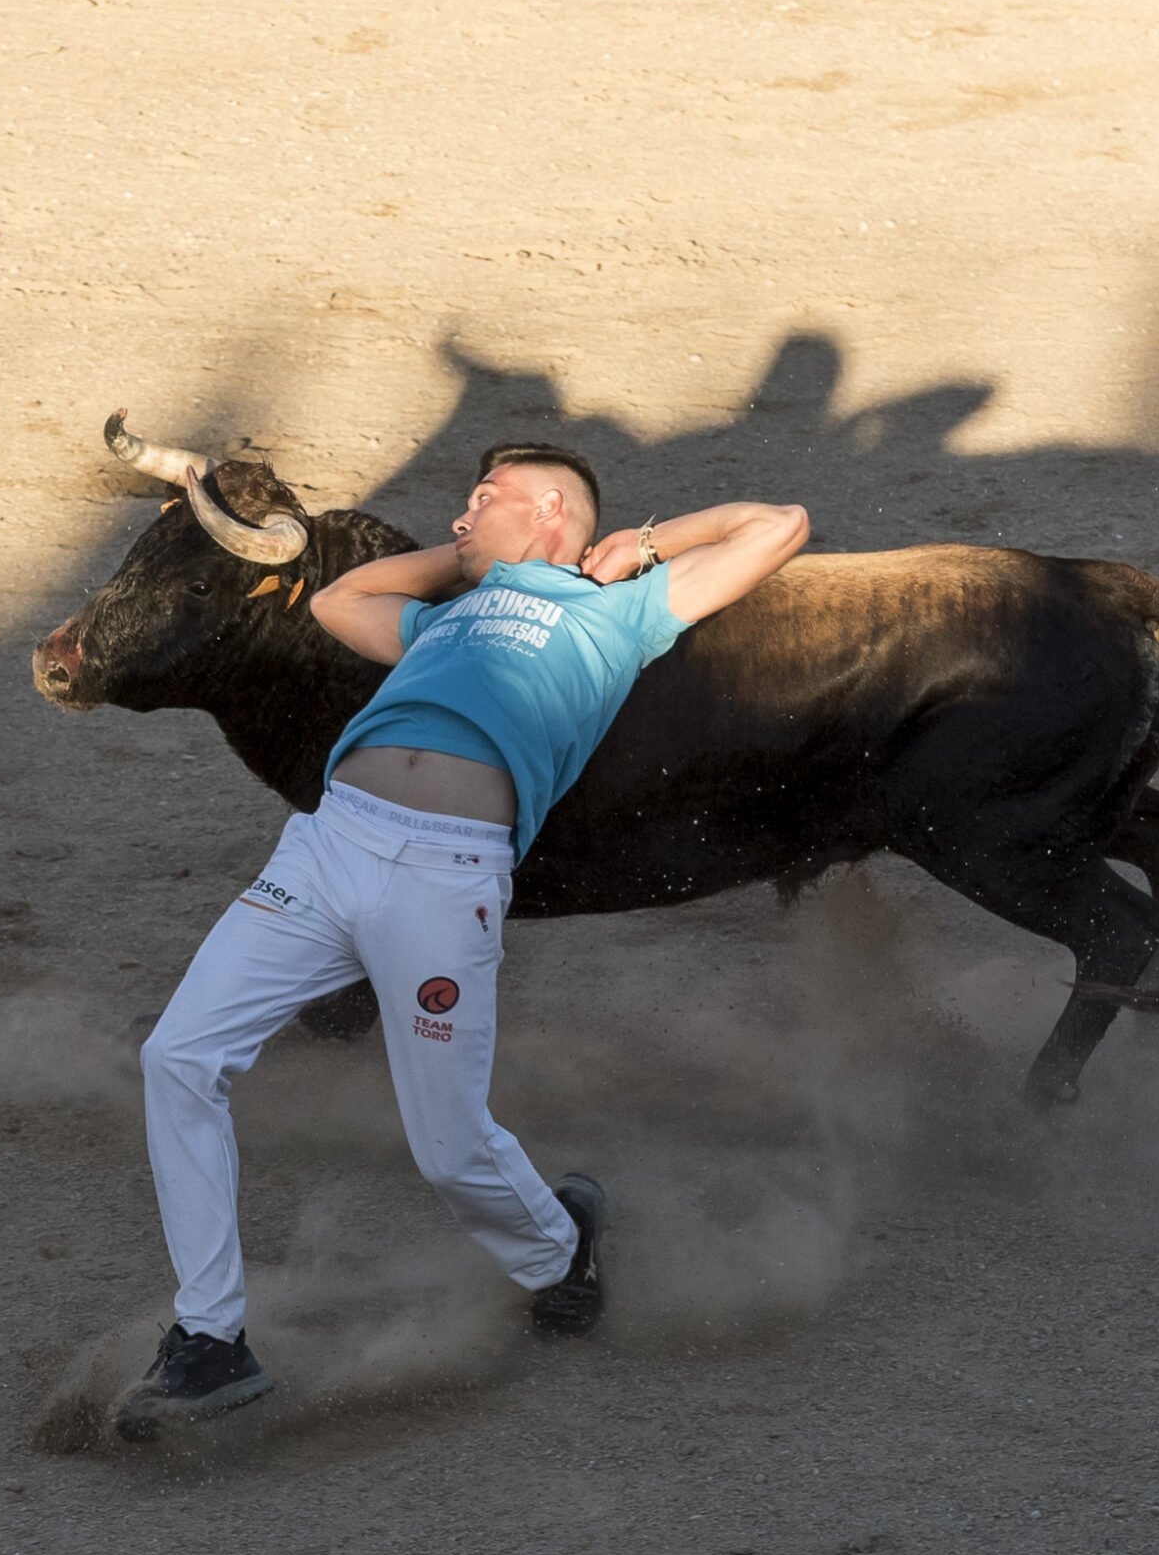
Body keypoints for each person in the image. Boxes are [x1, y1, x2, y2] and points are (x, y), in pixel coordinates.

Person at [113, 442, 809, 1438]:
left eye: (485, 498)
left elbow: (777, 522)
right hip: (325, 847)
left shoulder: (618, 614)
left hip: (446, 879)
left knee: (448, 1148)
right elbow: (335, 601)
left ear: (553, 507)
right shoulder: (443, 620)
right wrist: (469, 559)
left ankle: (560, 1251)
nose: (459, 514)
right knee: (177, 1056)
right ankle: (210, 1336)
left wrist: (632, 547)